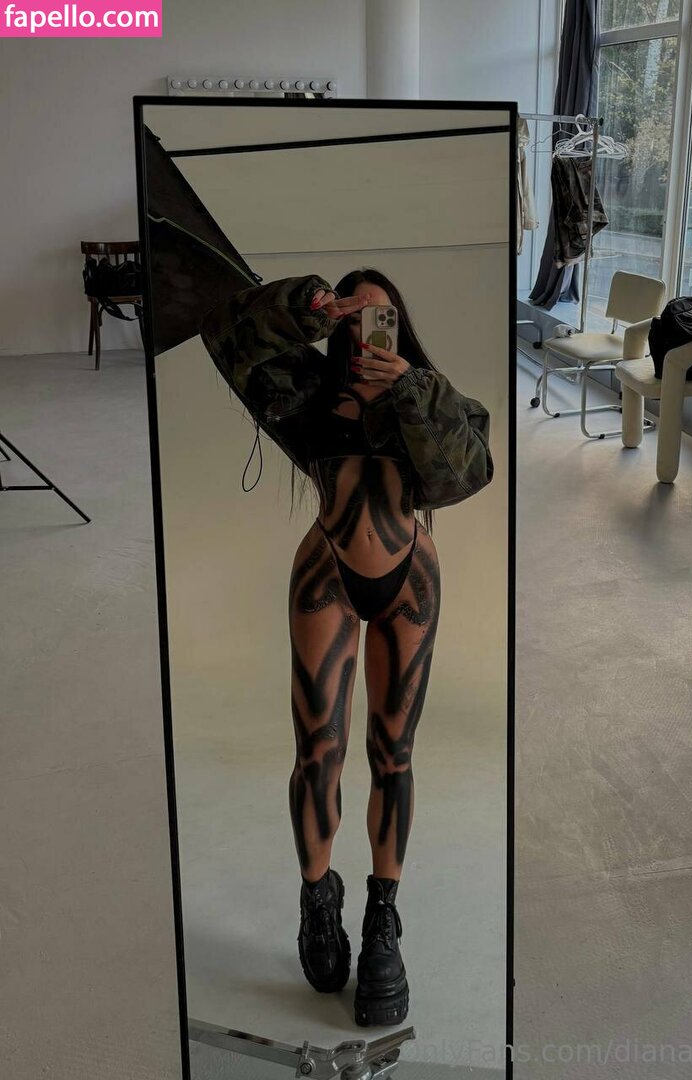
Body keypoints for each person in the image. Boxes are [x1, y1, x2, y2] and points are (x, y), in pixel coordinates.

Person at [199, 270, 493, 1027]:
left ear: (400, 323)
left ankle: (382, 921)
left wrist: (411, 389)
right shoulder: (304, 392)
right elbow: (223, 333)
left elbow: (467, 473)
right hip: (325, 571)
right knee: (316, 752)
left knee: (393, 754)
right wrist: (304, 305)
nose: (365, 331)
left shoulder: (432, 399)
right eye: (352, 316)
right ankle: (317, 897)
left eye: (379, 316)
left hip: (409, 577)